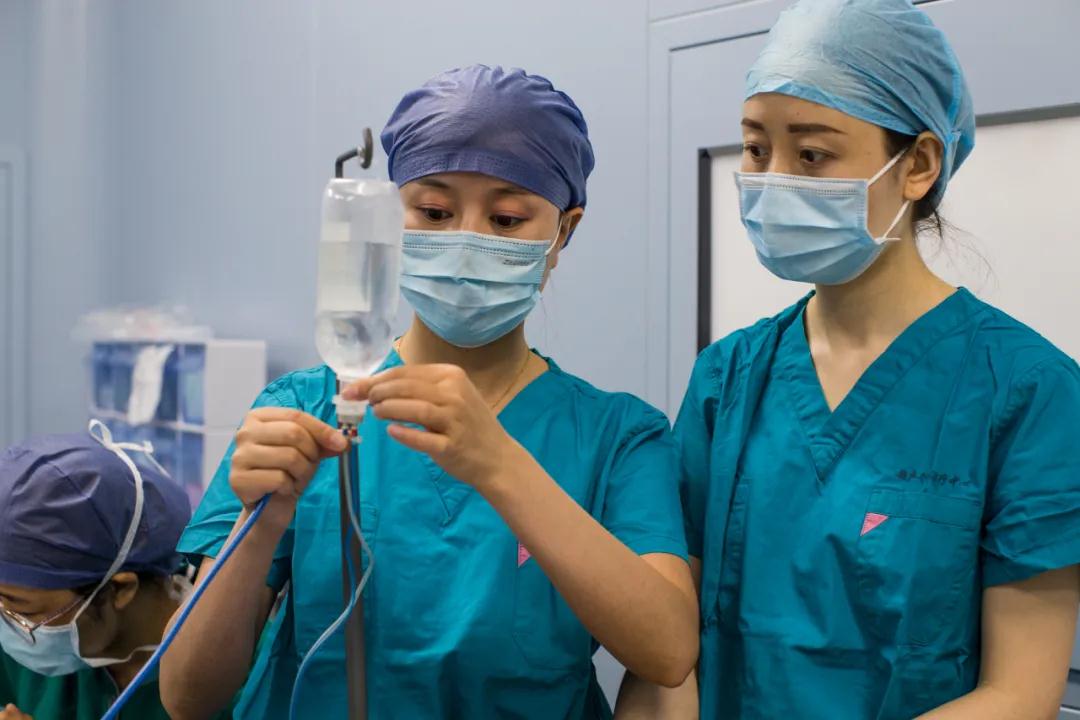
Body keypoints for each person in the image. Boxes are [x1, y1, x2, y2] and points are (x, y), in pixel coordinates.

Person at [160, 64, 698, 720]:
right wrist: (261, 524)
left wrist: (501, 467)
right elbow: (187, 697)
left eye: (506, 218)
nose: (465, 239)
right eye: (434, 212)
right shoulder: (301, 410)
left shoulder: (618, 438)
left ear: (563, 231)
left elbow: (667, 653)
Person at [616, 1, 1080, 718]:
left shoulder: (1027, 390)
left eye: (811, 155)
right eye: (755, 149)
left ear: (918, 164)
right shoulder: (728, 379)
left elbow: (1020, 694)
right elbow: (669, 655)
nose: (773, 179)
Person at [0, 424, 227, 720]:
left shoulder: (229, 671)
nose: (9, 622)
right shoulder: (23, 646)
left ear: (120, 589)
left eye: (22, 610)